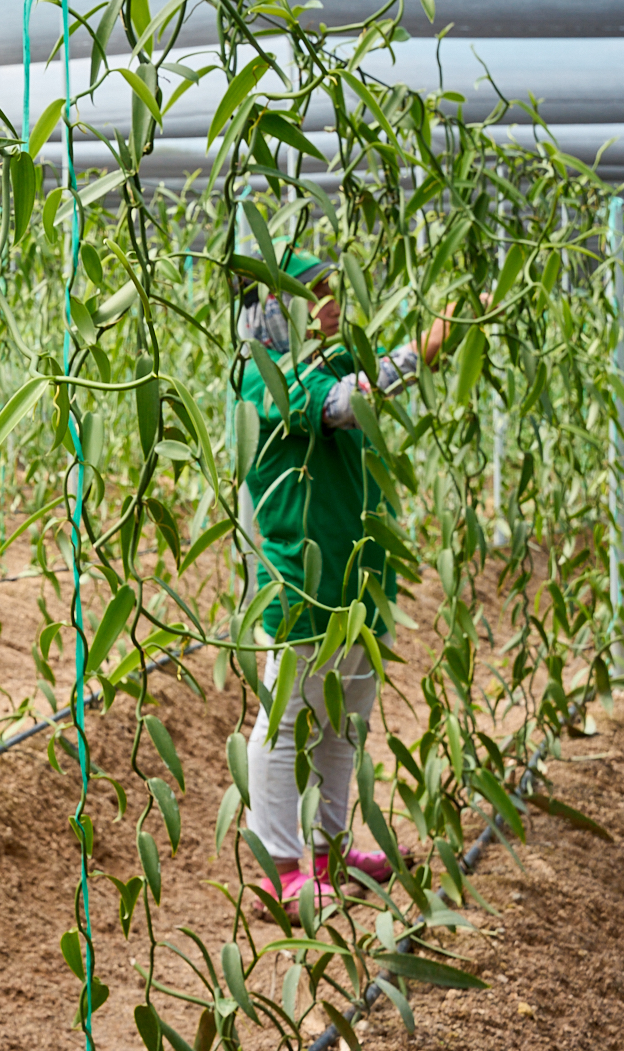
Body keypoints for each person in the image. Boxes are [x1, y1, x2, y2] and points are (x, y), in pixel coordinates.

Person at [235, 248, 449, 908]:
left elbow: (370, 375)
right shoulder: (263, 378)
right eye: (316, 291)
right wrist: (427, 347)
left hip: (357, 587)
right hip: (303, 587)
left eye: (332, 288)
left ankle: (328, 855)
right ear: (275, 307)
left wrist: (422, 345)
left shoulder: (328, 362)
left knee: (342, 728)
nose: (331, 301)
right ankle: (281, 868)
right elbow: (347, 405)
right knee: (286, 722)